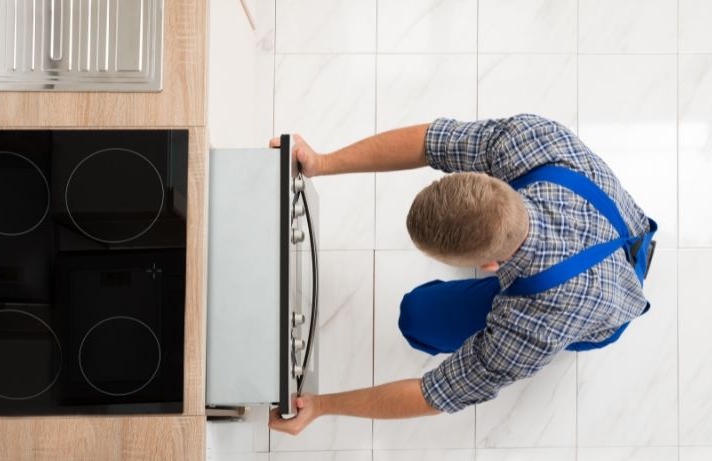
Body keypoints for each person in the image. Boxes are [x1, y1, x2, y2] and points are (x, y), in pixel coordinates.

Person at [268, 114, 656, 435]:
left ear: (491, 265)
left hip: (605, 302)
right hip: (607, 224)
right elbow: (428, 142)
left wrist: (320, 406)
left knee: (418, 318)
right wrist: (322, 161)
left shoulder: (536, 323)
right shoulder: (532, 141)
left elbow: (434, 393)